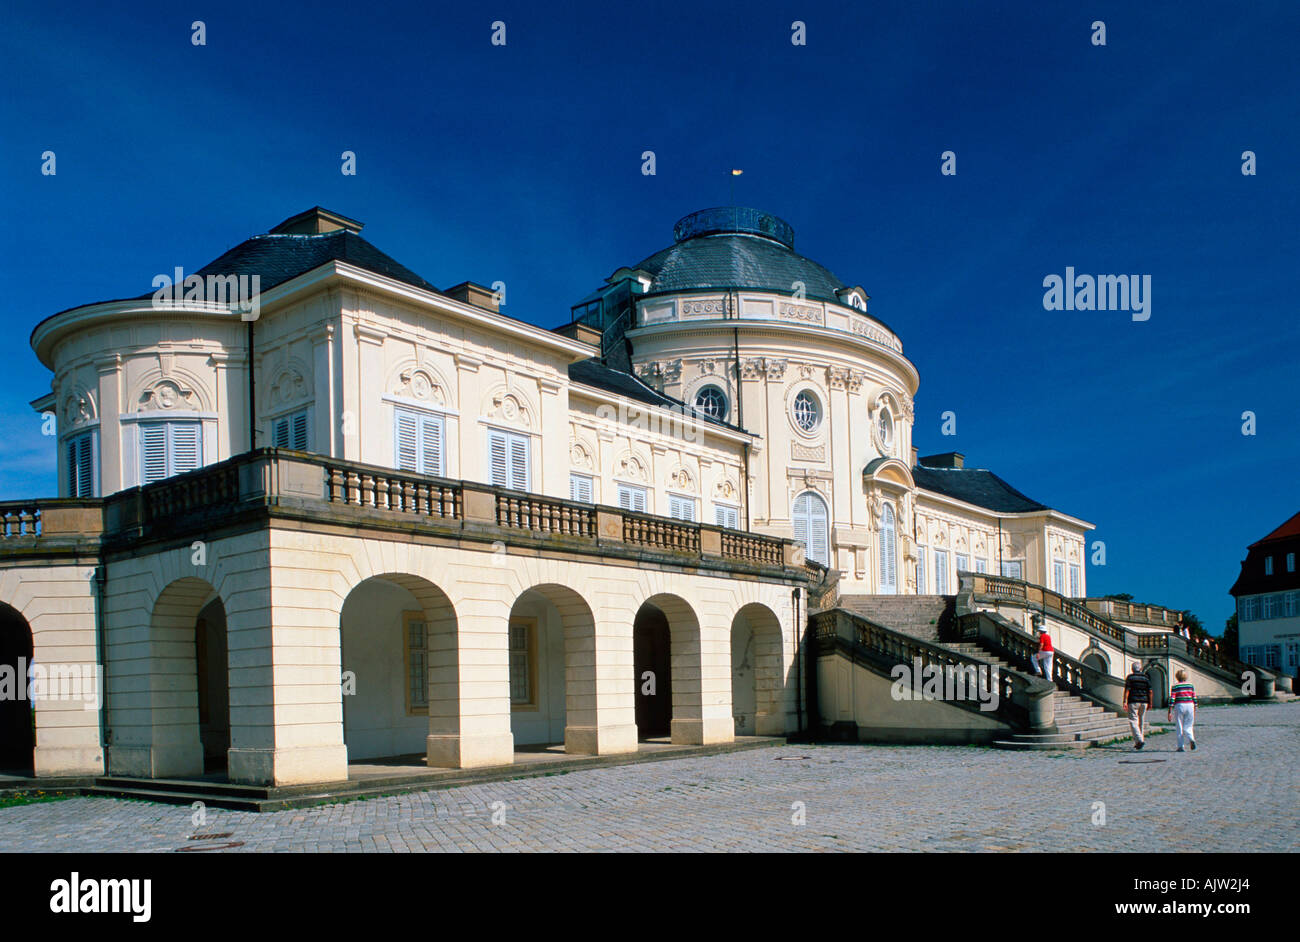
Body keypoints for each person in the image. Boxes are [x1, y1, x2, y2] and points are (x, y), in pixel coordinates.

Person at [1122, 661, 1152, 750]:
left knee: (1133, 721)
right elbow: (1150, 691)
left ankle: (1139, 740)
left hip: (1133, 701)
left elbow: (1127, 690)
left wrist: (1124, 701)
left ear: (1132, 669)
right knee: (1141, 721)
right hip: (1144, 701)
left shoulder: (1130, 677)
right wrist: (1150, 702)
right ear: (1141, 669)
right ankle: (1139, 741)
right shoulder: (1146, 677)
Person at [1168, 668, 1197, 752]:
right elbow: (1194, 696)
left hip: (1179, 705)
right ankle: (1191, 738)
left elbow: (1172, 698)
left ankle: (1180, 746)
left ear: (1177, 677)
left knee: (1179, 725)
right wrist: (1195, 706)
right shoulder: (1190, 686)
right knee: (1189, 725)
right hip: (1190, 705)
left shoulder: (1175, 686)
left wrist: (1170, 710)